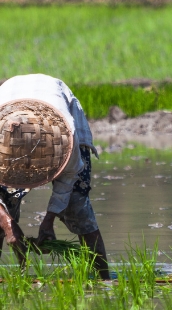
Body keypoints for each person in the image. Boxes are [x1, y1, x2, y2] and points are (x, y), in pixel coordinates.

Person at [0, 73, 109, 280]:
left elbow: (68, 178)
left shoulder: (66, 137)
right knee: (1, 213)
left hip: (54, 105)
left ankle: (105, 279)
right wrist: (7, 223)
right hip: (10, 104)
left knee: (78, 206)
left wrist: (48, 221)